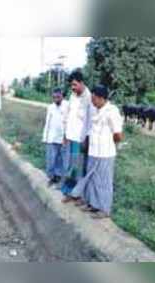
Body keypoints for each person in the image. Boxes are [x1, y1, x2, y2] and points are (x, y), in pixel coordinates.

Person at [70, 85, 124, 219]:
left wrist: (109, 143)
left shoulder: (112, 111)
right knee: (92, 180)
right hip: (94, 151)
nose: (92, 102)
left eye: (94, 99)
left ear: (101, 98)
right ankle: (93, 205)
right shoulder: (96, 110)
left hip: (106, 153)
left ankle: (104, 209)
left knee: (104, 182)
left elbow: (118, 134)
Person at [61, 71, 92, 203]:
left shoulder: (89, 97)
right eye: (71, 85)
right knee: (71, 166)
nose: (72, 88)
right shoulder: (73, 96)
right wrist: (64, 135)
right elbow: (68, 116)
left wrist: (87, 139)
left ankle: (79, 195)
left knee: (79, 167)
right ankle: (70, 192)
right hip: (70, 137)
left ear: (81, 82)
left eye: (74, 85)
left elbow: (90, 121)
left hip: (81, 140)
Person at [42, 88, 69, 186]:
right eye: (54, 97)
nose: (56, 99)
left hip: (63, 138)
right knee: (51, 159)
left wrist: (66, 137)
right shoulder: (50, 107)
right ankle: (51, 177)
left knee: (61, 160)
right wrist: (45, 137)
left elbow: (69, 122)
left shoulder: (67, 106)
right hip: (52, 137)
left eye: (58, 97)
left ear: (62, 96)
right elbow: (47, 122)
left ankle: (59, 178)